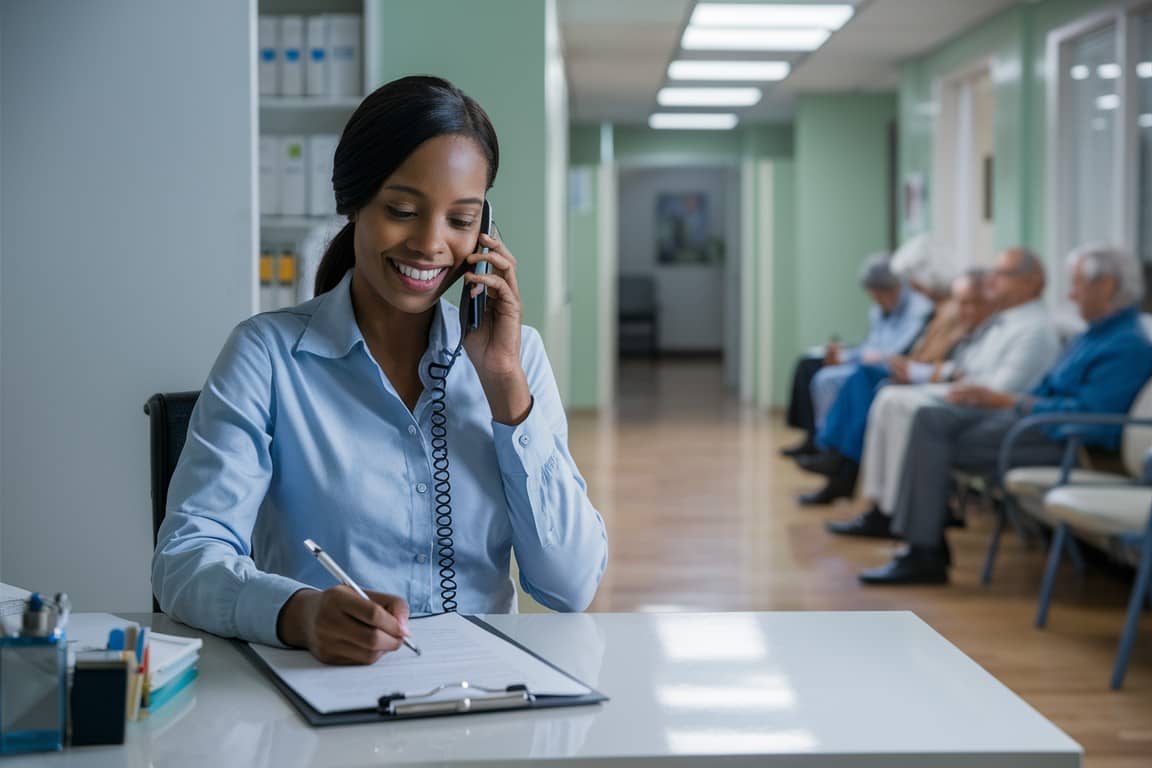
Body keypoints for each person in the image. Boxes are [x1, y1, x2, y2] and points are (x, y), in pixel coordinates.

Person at [152, 76, 609, 663]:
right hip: (323, 693)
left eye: (460, 220)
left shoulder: (519, 360)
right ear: (353, 203)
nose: (429, 243)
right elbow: (186, 558)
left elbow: (570, 586)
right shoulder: (266, 355)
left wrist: (503, 384)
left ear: (485, 231)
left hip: (481, 701)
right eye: (402, 210)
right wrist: (299, 613)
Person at [858, 244, 1152, 584]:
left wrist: (1015, 403)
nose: (1070, 295)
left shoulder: (1125, 345)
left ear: (1106, 287)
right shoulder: (1094, 335)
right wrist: (1013, 402)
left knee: (930, 430)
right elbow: (1047, 390)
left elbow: (1091, 420)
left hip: (1066, 443)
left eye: (1077, 286)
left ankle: (924, 551)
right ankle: (919, 542)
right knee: (929, 418)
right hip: (1037, 424)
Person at [826, 247, 1061, 538]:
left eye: (1002, 274)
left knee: (909, 408)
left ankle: (896, 513)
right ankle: (881, 505)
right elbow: (967, 367)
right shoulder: (1006, 321)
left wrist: (953, 380)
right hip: (972, 395)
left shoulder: (1033, 328)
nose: (993, 280)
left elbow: (1000, 391)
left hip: (992, 410)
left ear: (1032, 282)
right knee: (888, 397)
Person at [796, 268, 992, 505]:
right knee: (851, 379)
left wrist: (917, 370)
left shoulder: (940, 314)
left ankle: (843, 466)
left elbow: (959, 370)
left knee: (875, 389)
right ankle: (838, 460)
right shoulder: (949, 316)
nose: (964, 309)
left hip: (936, 383)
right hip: (924, 374)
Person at [780, 252, 934, 457]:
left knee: (827, 379)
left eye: (879, 295)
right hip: (868, 359)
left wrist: (856, 357)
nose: (876, 301)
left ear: (893, 287)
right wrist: (845, 355)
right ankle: (815, 439)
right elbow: (870, 344)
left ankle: (830, 448)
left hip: (888, 366)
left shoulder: (918, 309)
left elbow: (896, 351)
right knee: (808, 363)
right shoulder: (879, 308)